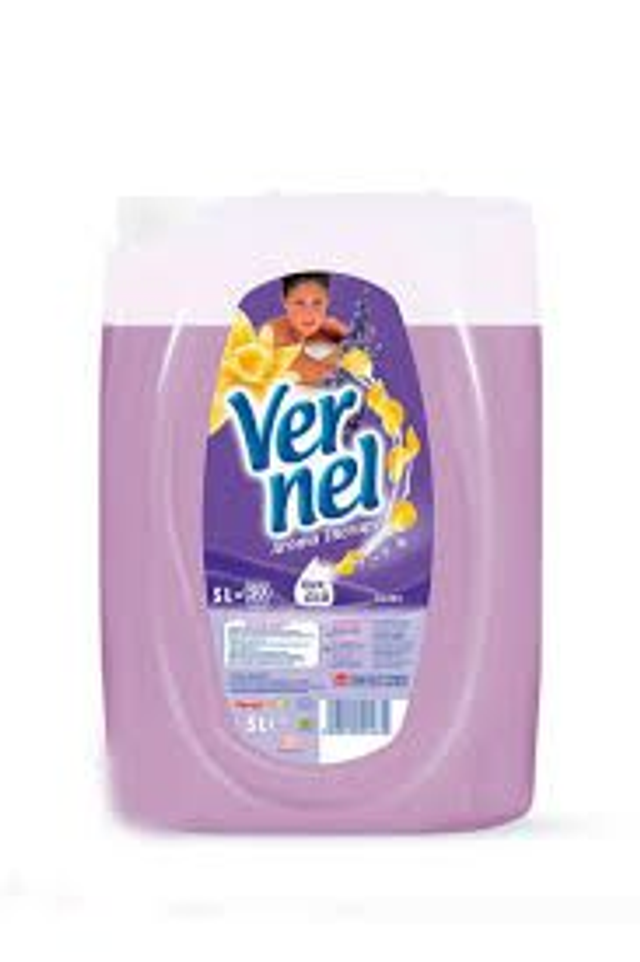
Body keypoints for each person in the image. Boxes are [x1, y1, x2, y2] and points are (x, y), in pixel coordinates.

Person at [265, 272, 348, 386]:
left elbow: (357, 341)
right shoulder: (274, 334)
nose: (309, 313)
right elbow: (324, 376)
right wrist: (346, 348)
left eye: (317, 303)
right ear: (285, 303)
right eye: (299, 303)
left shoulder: (324, 328)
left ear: (327, 302)